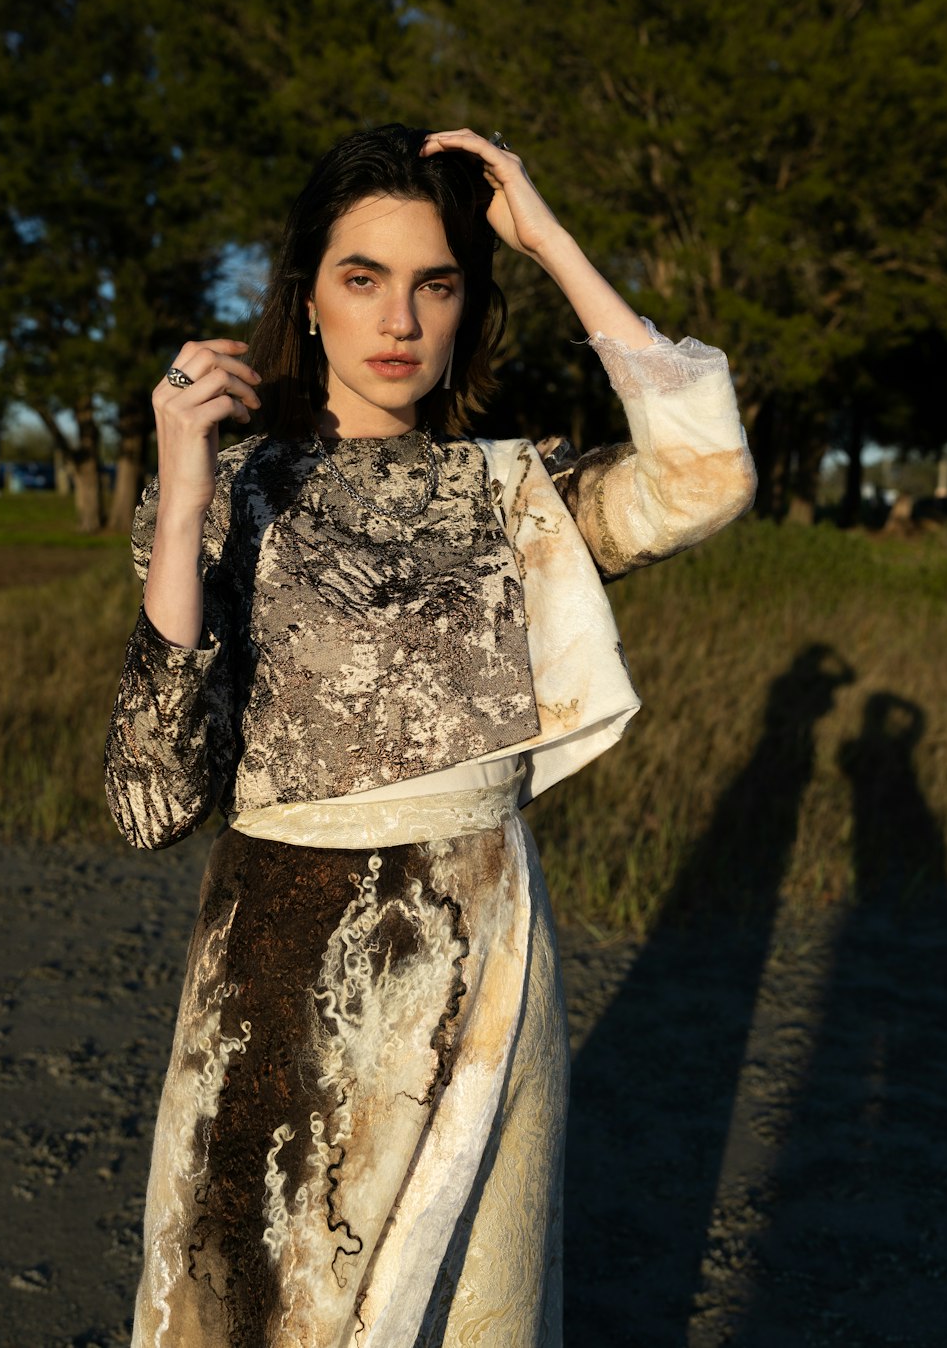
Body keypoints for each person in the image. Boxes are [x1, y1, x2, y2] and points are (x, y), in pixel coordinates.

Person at [105, 123, 756, 1347]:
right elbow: (147, 798)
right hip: (286, 988)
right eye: (363, 278)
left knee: (473, 1311)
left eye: (435, 282)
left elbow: (705, 478)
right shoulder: (233, 490)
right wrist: (185, 481)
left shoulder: (513, 492)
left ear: (465, 305)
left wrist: (550, 238)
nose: (398, 318)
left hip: (489, 961)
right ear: (308, 297)